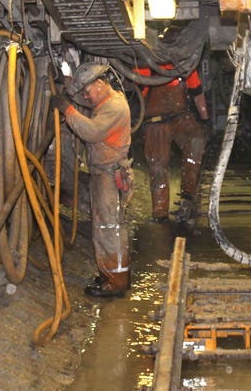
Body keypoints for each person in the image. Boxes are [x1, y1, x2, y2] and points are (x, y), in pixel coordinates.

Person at [50, 61, 132, 298]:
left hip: (109, 174)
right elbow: (87, 110)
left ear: (100, 83)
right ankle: (113, 273)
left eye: (87, 90)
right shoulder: (106, 102)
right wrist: (70, 92)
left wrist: (67, 110)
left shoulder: (114, 107)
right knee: (107, 226)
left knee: (108, 228)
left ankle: (115, 282)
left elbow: (91, 131)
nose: (86, 96)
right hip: (104, 173)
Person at [136, 50, 208, 225]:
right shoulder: (148, 67)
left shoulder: (185, 66)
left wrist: (205, 120)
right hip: (156, 121)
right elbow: (136, 93)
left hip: (180, 116)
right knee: (158, 165)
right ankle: (160, 212)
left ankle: (188, 196)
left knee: (196, 141)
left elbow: (197, 94)